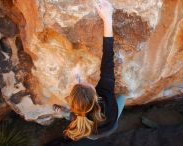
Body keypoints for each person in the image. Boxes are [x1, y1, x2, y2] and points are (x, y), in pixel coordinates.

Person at [53, 0, 127, 142]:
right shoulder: (105, 95)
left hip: (92, 134)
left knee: (74, 118)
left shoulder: (78, 114)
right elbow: (108, 57)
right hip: (112, 124)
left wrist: (78, 85)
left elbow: (78, 109)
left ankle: (61, 111)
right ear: (96, 97)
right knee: (124, 95)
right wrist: (107, 18)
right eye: (87, 84)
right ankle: (62, 111)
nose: (85, 81)